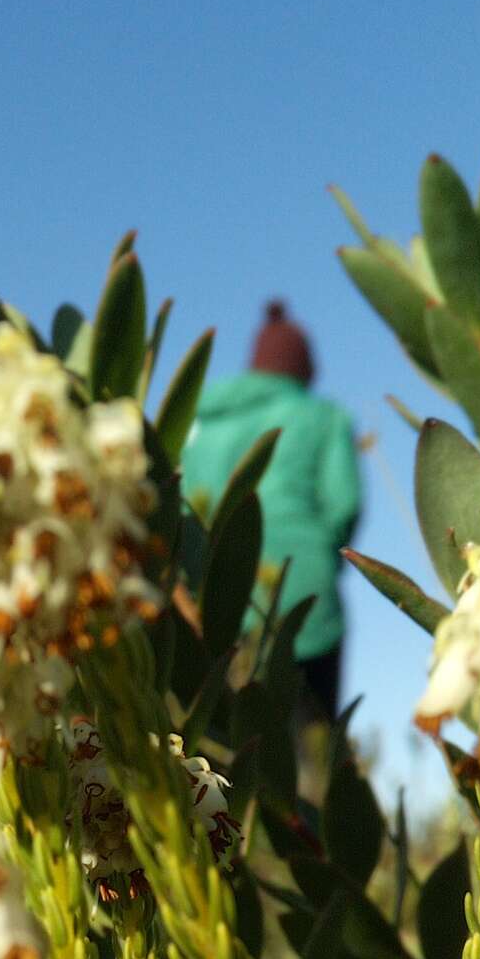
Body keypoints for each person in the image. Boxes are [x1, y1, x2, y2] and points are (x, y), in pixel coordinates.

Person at [180, 300, 362, 722]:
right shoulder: (324, 417)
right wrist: (321, 552)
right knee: (311, 754)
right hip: (305, 600)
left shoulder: (198, 422)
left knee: (223, 743)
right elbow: (344, 504)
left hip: (210, 605)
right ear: (304, 369)